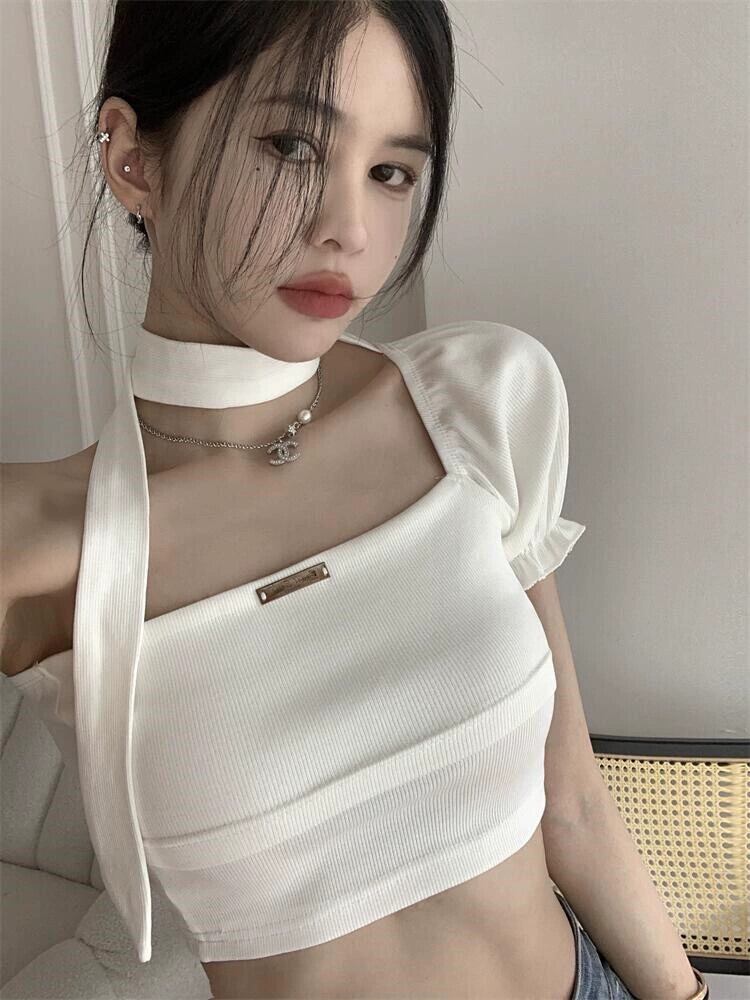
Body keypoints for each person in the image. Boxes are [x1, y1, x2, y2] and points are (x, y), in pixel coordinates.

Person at [1, 3, 708, 1000]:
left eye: (391, 173)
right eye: (292, 146)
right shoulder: (37, 544)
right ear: (133, 158)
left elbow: (575, 807)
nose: (350, 229)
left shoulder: (473, 408)